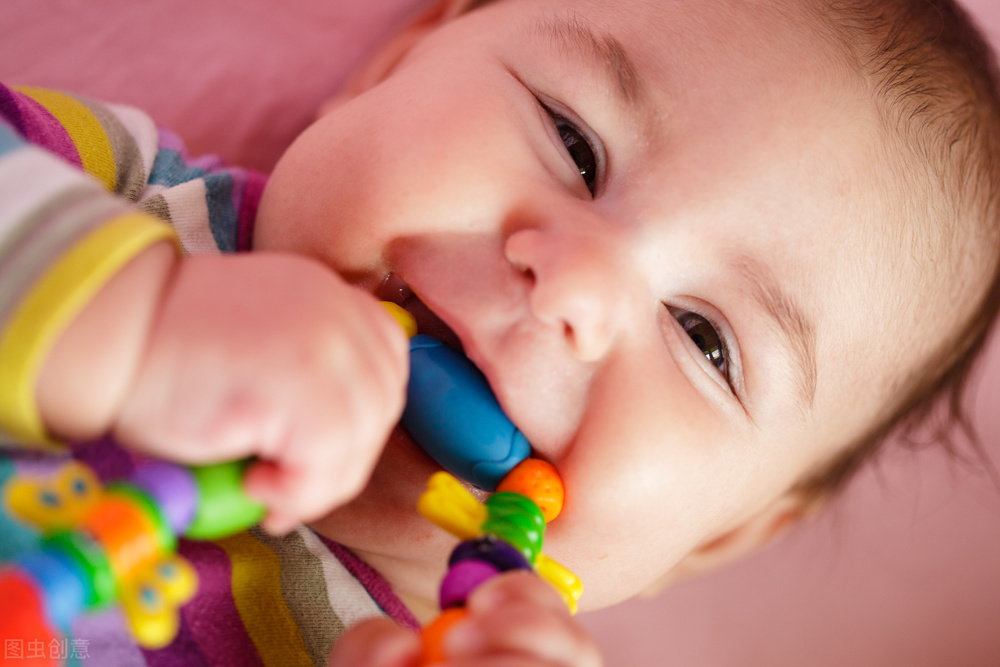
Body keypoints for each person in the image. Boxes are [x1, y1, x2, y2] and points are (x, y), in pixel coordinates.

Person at [1, 0, 998, 664]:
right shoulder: (122, 199)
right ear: (397, 62)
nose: (577, 283)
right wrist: (130, 317)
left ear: (720, 535)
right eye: (572, 141)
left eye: (705, 340)